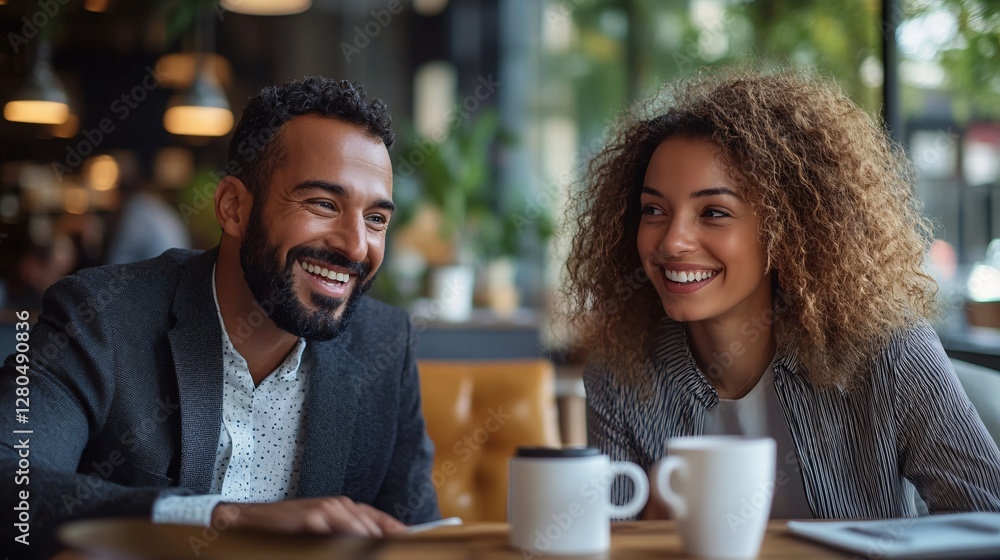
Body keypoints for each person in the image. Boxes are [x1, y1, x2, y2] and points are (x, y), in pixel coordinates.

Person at [0, 77, 439, 559]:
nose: (356, 245)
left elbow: (417, 538)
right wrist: (224, 518)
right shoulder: (99, 315)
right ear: (233, 208)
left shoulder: (385, 345)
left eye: (376, 219)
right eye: (323, 204)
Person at [562, 69, 1000, 520]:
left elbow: (988, 521)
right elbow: (606, 539)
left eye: (713, 212)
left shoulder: (891, 353)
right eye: (653, 210)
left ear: (786, 230)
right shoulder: (621, 373)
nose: (672, 241)